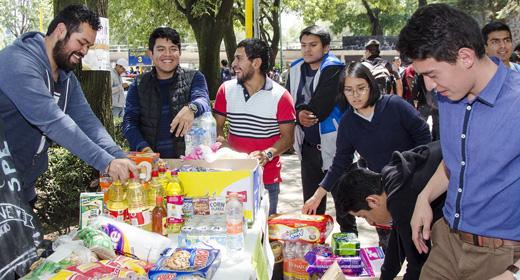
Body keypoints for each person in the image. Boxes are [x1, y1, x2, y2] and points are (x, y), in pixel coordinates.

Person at [396, 4, 520, 279]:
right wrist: (424, 198)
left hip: (502, 259)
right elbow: (457, 162)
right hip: (447, 244)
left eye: (432, 74)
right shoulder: (449, 94)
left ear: (465, 57)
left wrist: (515, 273)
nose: (428, 86)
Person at [0, 4, 138, 206]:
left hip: (23, 190)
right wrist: (106, 163)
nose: (84, 51)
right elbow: (54, 122)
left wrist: (120, 158)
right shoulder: (17, 62)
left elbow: (89, 124)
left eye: (88, 46)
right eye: (81, 43)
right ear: (61, 30)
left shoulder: (67, 80)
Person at [302, 62, 431, 252]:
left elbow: (425, 139)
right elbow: (341, 161)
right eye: (349, 90)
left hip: (416, 186)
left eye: (360, 88)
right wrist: (317, 195)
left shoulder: (395, 105)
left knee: (420, 244)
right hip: (384, 194)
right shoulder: (348, 122)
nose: (355, 95)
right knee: (389, 247)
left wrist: (419, 175)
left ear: (370, 85)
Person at [336, 141, 445, 280]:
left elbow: (418, 265)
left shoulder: (401, 200)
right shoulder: (391, 178)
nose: (370, 222)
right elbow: (397, 237)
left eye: (364, 216)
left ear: (373, 201)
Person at [213, 38, 296, 216]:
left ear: (256, 63)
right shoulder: (225, 90)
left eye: (239, 59)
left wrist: (268, 154)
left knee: (265, 235)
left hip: (267, 179)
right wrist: (222, 143)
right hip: (231, 176)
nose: (233, 64)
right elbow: (216, 127)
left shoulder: (281, 96)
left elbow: (288, 138)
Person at [286, 25, 356, 234]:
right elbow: (288, 102)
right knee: (313, 209)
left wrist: (299, 113)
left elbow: (320, 109)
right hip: (309, 149)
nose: (307, 50)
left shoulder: (334, 68)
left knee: (346, 209)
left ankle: (348, 258)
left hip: (337, 149)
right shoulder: (296, 68)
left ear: (326, 48)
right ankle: (315, 258)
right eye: (303, 45)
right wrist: (298, 114)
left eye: (313, 45)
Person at [123, 27, 211, 158]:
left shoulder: (195, 77)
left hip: (188, 163)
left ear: (180, 52)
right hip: (153, 166)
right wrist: (144, 149)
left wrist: (191, 108)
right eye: (161, 49)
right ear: (151, 54)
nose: (167, 54)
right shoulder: (139, 83)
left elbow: (202, 100)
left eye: (173, 49)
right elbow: (129, 122)